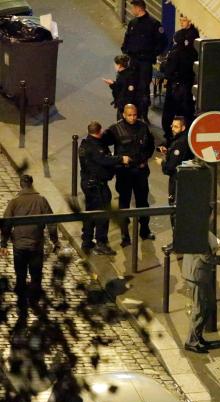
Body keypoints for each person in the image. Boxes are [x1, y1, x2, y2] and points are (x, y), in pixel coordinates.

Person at [0, 175, 60, 319]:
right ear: (32, 184)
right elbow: (52, 222)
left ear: (21, 185)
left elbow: (6, 224)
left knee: (20, 274)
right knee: (36, 274)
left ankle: (22, 301)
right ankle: (34, 300)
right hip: (36, 244)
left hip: (19, 245)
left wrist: (3, 243)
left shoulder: (14, 202)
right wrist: (55, 241)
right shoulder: (41, 200)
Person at [102, 104, 156, 246]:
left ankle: (145, 231)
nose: (132, 117)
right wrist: (115, 160)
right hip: (124, 172)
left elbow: (150, 146)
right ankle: (125, 236)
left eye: (135, 114)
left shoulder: (143, 127)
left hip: (140, 171)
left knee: (143, 203)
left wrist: (144, 159)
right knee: (124, 204)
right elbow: (102, 143)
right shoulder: (115, 129)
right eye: (130, 115)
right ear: (124, 115)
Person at [79, 121, 131, 255]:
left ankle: (87, 240)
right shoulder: (95, 146)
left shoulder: (85, 144)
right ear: (99, 131)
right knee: (103, 213)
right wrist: (120, 159)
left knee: (90, 212)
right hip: (97, 185)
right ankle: (101, 242)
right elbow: (103, 159)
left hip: (89, 183)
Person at [121, 0, 167, 122]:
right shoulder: (132, 23)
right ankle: (131, 114)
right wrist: (125, 50)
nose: (132, 10)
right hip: (133, 61)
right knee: (131, 87)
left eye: (133, 7)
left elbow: (162, 42)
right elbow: (127, 39)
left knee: (143, 89)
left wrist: (152, 54)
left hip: (145, 62)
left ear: (139, 8)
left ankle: (143, 115)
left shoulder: (154, 24)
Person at [183, 232, 220, 353]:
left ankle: (197, 337)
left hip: (198, 275)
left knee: (207, 305)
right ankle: (192, 341)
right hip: (197, 276)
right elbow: (206, 257)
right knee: (200, 308)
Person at [161, 31, 197, 140]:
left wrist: (163, 66)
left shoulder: (175, 53)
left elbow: (168, 70)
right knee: (186, 111)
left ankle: (170, 134)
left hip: (175, 87)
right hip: (188, 87)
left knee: (170, 111)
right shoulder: (194, 52)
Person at [160, 116, 194, 229]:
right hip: (185, 180)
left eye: (176, 126)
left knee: (175, 210)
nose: (173, 129)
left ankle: (177, 239)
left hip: (177, 181)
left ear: (183, 128)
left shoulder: (179, 143)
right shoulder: (183, 139)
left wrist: (162, 162)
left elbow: (170, 167)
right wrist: (169, 152)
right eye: (172, 126)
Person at [103, 54, 139, 118]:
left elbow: (121, 91)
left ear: (119, 65)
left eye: (115, 64)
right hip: (125, 104)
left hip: (124, 106)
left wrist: (112, 84)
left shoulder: (124, 77)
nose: (114, 66)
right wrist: (113, 83)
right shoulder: (127, 73)